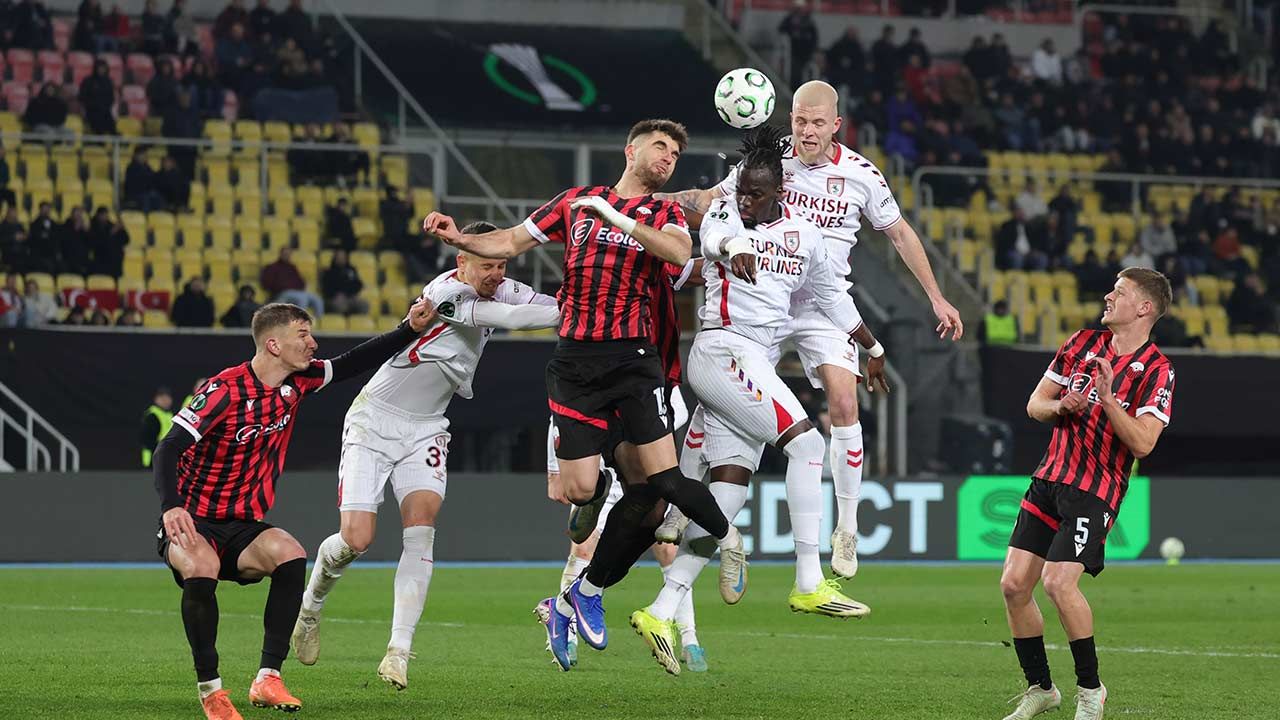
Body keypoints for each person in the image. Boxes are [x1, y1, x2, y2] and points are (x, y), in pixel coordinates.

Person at [424, 118, 746, 664]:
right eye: (660, 146)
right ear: (630, 150)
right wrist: (459, 239)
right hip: (576, 363)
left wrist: (617, 217)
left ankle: (599, 589)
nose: (668, 158)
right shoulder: (576, 202)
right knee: (578, 491)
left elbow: (675, 253)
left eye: (674, 153)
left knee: (659, 487)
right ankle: (594, 513)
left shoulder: (662, 213)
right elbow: (510, 239)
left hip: (635, 362)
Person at [654, 80, 963, 579]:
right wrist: (644, 202)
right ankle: (678, 509)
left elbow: (900, 234)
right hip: (766, 297)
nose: (807, 131)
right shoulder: (772, 161)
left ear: (836, 125)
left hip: (823, 304)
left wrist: (936, 296)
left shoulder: (862, 175)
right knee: (717, 401)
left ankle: (847, 529)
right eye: (800, 120)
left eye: (818, 122)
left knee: (844, 402)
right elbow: (714, 200)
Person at [631, 126, 887, 674]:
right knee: (808, 445)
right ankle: (809, 579)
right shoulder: (727, 214)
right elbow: (717, 238)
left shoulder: (805, 236)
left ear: (779, 193)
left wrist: (874, 348)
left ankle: (661, 610)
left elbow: (832, 298)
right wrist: (736, 245)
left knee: (726, 498)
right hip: (722, 351)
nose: (745, 200)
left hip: (754, 365)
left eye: (756, 193)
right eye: (742, 190)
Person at [292, 222, 561, 689]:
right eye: (487, 265)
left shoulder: (502, 285)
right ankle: (309, 608)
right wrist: (583, 308)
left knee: (421, 529)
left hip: (427, 428)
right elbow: (517, 319)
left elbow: (546, 305)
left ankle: (398, 651)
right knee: (356, 539)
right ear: (462, 260)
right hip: (375, 420)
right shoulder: (445, 293)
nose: (496, 274)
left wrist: (582, 303)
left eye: (501, 264)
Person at [153, 299, 435, 720]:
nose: (312, 343)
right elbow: (168, 447)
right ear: (273, 344)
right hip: (194, 521)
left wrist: (408, 329)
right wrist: (171, 507)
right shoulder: (224, 390)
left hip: (243, 525)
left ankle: (268, 678)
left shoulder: (299, 380)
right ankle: (211, 691)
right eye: (303, 335)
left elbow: (353, 362)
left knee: (290, 553)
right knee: (202, 566)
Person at [999, 268, 1175, 720]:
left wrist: (1108, 398)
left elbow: (1144, 443)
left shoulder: (1158, 369)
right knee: (1014, 585)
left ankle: (1091, 690)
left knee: (1058, 582)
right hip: (1049, 478)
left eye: (1119, 292)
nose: (1108, 296)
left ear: (1144, 308)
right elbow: (1035, 405)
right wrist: (1061, 405)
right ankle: (1041, 688)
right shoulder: (1080, 343)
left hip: (1095, 490)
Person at [261, 247, 323, 317]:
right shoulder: (272, 267)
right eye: (285, 254)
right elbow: (267, 284)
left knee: (317, 299)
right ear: (280, 254)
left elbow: (301, 282)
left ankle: (319, 320)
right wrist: (282, 287)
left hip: (297, 292)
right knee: (302, 299)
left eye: (288, 254)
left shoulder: (292, 267)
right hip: (282, 293)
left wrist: (299, 287)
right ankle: (299, 321)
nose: (287, 256)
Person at [320, 249, 368, 316]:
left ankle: (358, 322)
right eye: (339, 257)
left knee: (364, 305)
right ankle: (341, 322)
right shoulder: (329, 272)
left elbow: (358, 284)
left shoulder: (351, 270)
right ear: (335, 258)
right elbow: (326, 288)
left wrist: (352, 294)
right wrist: (336, 295)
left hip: (350, 296)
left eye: (343, 257)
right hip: (335, 298)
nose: (341, 259)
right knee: (341, 307)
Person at [140, 386, 174, 468]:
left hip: (166, 457)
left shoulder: (170, 414)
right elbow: (146, 439)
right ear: (156, 399)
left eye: (168, 398)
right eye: (162, 398)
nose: (166, 401)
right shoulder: (152, 415)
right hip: (153, 458)